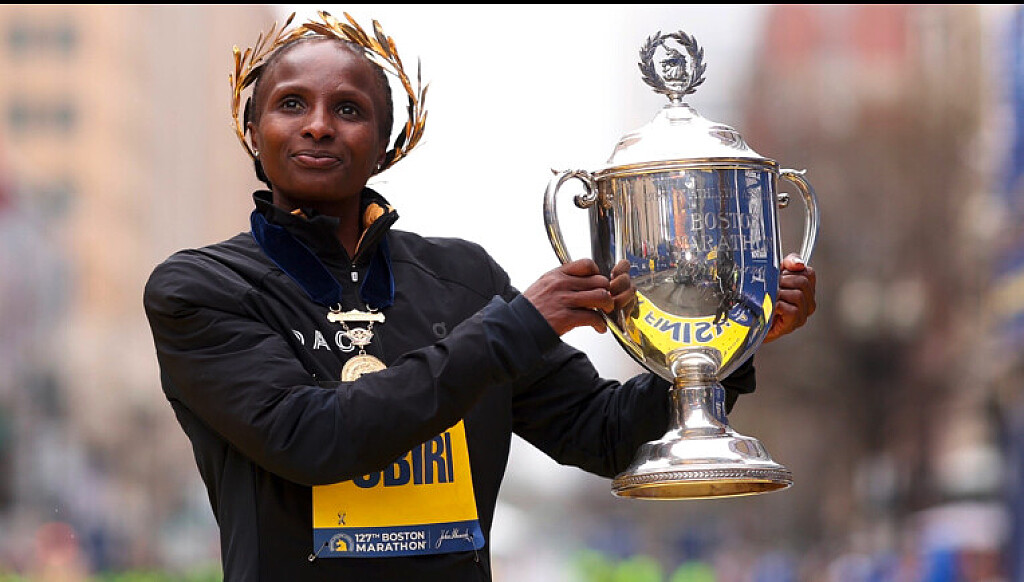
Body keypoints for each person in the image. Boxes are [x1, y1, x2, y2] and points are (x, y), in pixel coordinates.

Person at [143, 11, 817, 581]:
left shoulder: (464, 280)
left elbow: (607, 434)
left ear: (387, 143)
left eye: (349, 109)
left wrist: (727, 345)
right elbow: (312, 438)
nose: (319, 125)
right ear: (253, 132)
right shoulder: (201, 288)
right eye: (291, 104)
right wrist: (513, 329)